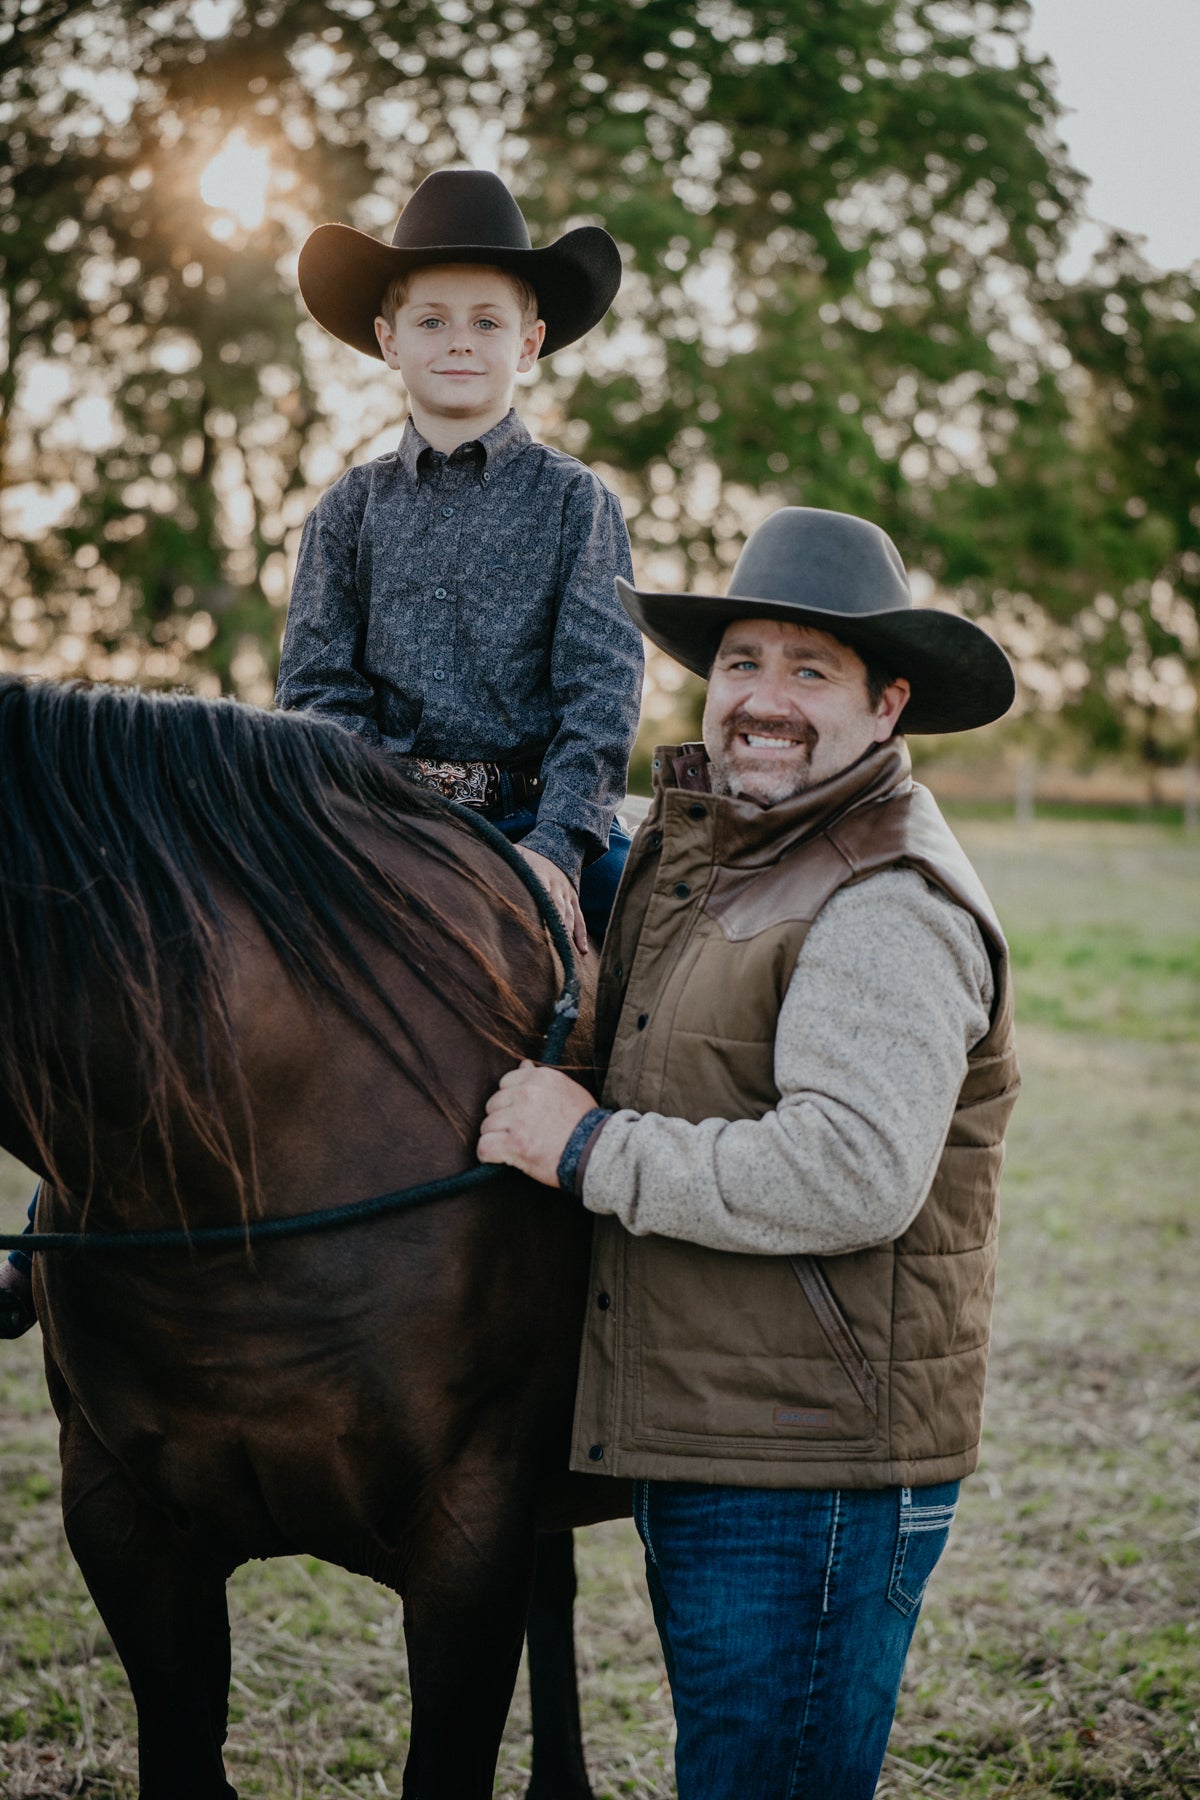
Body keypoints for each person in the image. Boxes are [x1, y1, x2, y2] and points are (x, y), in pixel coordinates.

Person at [477, 505, 1022, 1800]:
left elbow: (852, 1171)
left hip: (812, 1470)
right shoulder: (725, 857)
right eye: (741, 663)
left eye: (810, 670)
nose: (763, 700)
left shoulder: (883, 897)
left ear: (887, 705)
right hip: (737, 1437)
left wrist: (586, 1147)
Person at [276, 166, 644, 952]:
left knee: (657, 936)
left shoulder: (575, 503)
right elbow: (316, 690)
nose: (459, 342)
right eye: (432, 321)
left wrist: (557, 846)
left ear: (528, 344)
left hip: (537, 816)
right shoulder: (347, 510)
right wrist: (379, 819)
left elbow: (600, 692)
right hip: (383, 813)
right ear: (390, 341)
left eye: (486, 322)